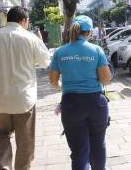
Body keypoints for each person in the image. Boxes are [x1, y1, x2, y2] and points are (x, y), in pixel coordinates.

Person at [0, 6, 50, 170]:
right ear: (23, 20)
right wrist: (40, 40)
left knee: (1, 135)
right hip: (24, 100)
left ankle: (3, 167)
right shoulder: (30, 38)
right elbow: (45, 62)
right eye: (27, 21)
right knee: (25, 140)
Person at [49, 15, 112, 170]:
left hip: (71, 104)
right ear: (89, 32)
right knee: (98, 144)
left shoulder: (60, 52)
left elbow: (53, 81)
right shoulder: (96, 50)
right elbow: (106, 79)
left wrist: (65, 87)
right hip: (96, 103)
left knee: (79, 151)